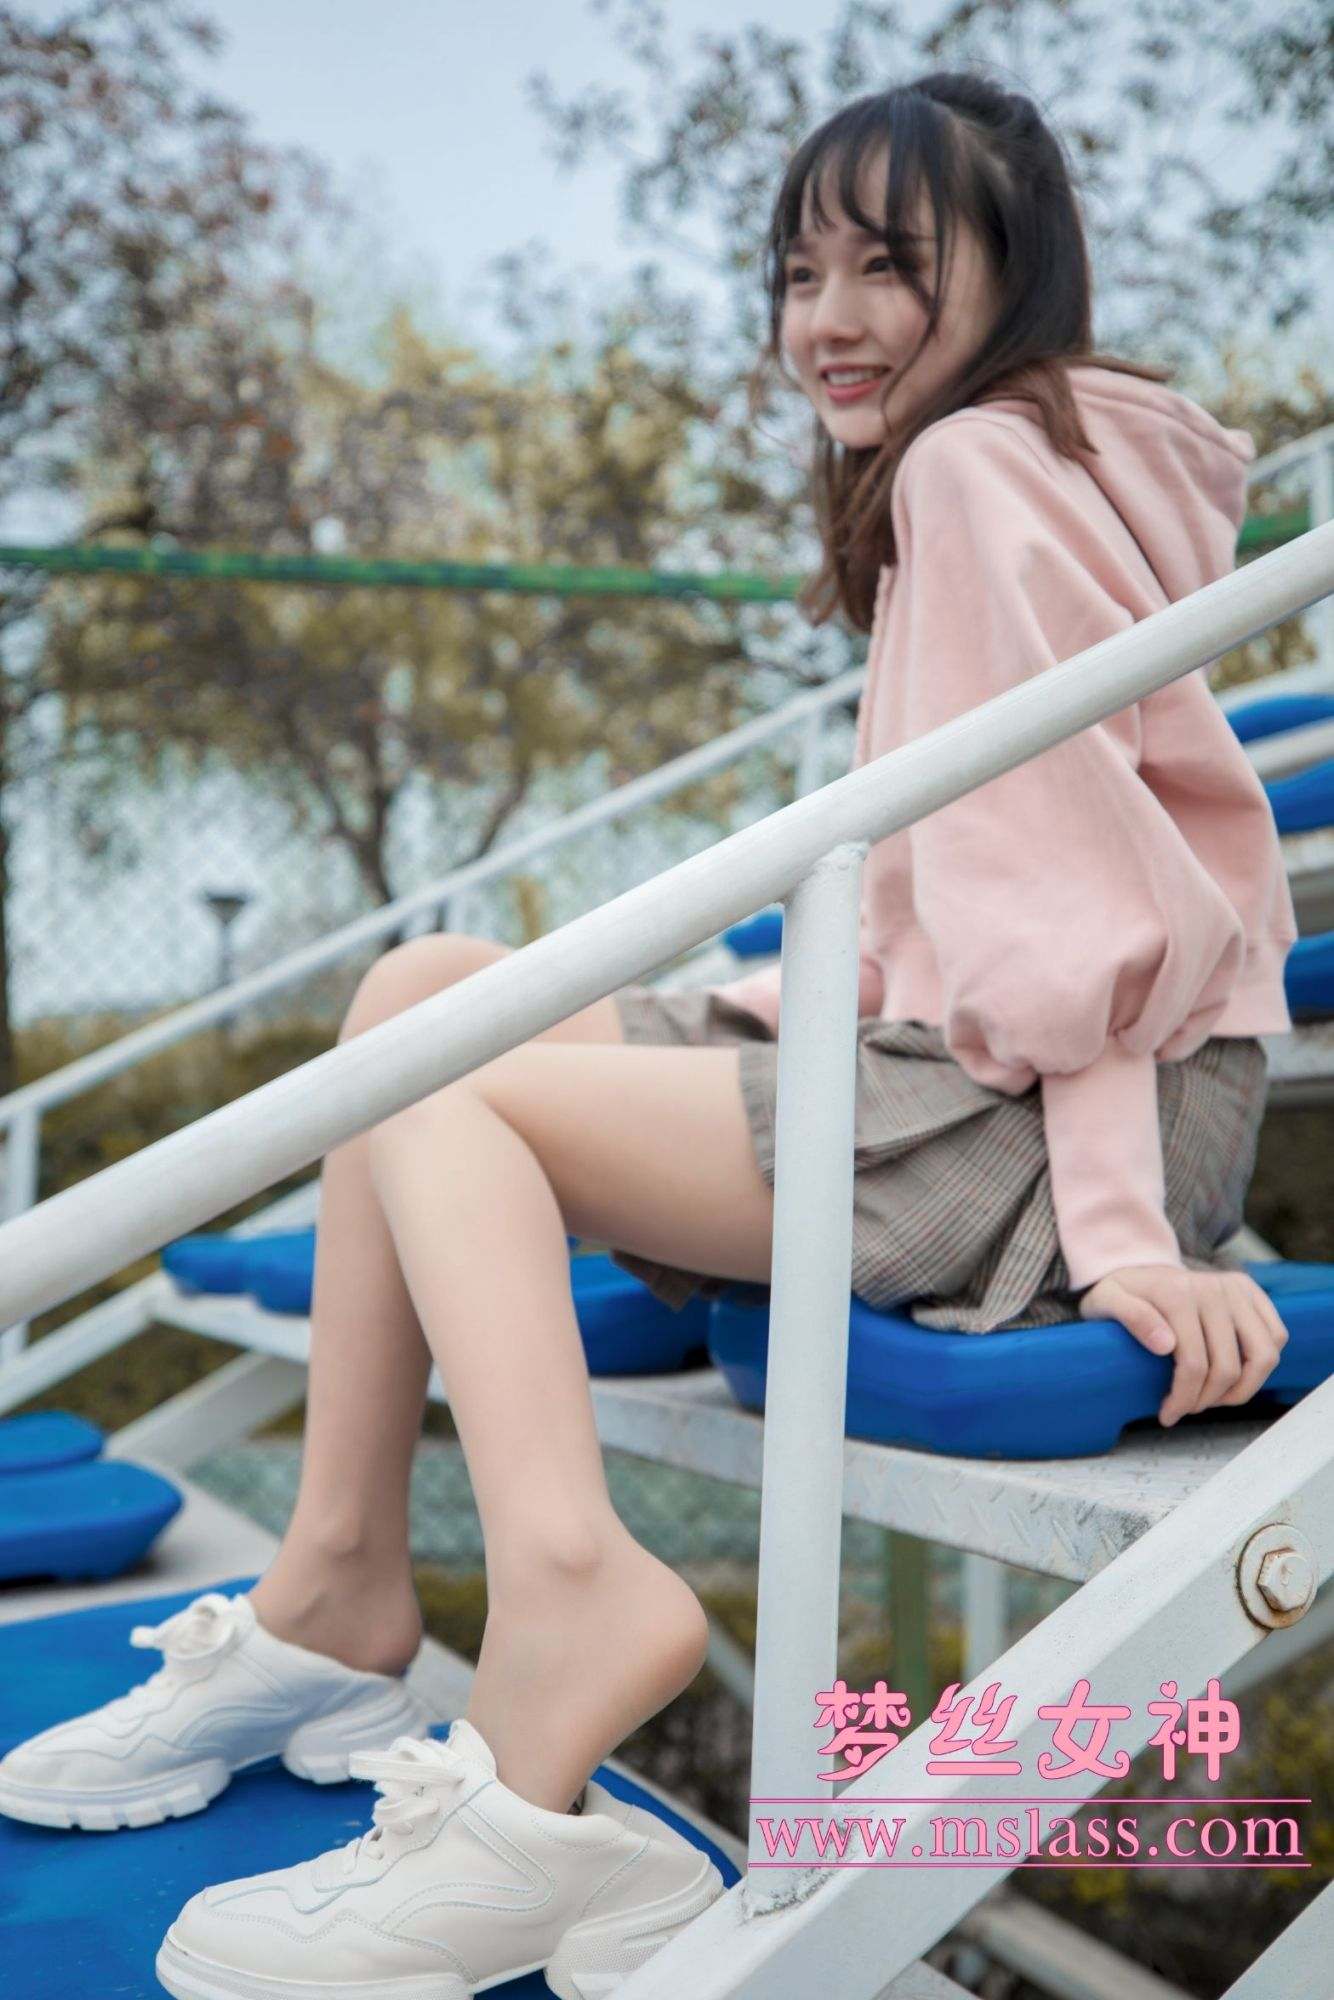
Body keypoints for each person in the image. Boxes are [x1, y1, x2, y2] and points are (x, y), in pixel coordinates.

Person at [0, 69, 1298, 1999]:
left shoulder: (973, 468)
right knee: (423, 993)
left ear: (1010, 271)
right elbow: (968, 901)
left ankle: (570, 1615)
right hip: (986, 1067)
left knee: (436, 1088)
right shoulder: (1003, 468)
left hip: (1048, 1128)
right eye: (798, 274)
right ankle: (338, 1583)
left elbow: (1091, 914)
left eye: (886, 266)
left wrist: (1122, 1236)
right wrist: (735, 1019)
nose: (826, 319)